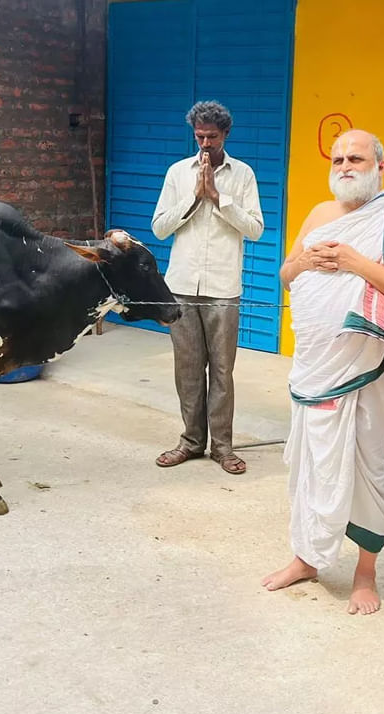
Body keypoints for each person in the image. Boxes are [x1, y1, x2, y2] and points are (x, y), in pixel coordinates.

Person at [261, 130, 384, 615]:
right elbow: (285, 273)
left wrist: (356, 263)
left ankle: (364, 573)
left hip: (365, 367)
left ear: (379, 163)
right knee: (309, 462)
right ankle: (307, 558)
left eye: (355, 157)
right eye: (338, 158)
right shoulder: (319, 213)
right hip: (312, 364)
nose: (345, 165)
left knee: (365, 467)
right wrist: (303, 261)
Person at [151, 100, 264, 475]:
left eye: (211, 138)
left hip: (222, 287)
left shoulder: (243, 175)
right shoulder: (177, 172)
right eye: (199, 136)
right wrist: (195, 196)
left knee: (221, 370)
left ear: (225, 135)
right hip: (181, 284)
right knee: (186, 369)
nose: (204, 144)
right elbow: (160, 227)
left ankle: (223, 447)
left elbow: (255, 228)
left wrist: (219, 197)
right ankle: (190, 441)